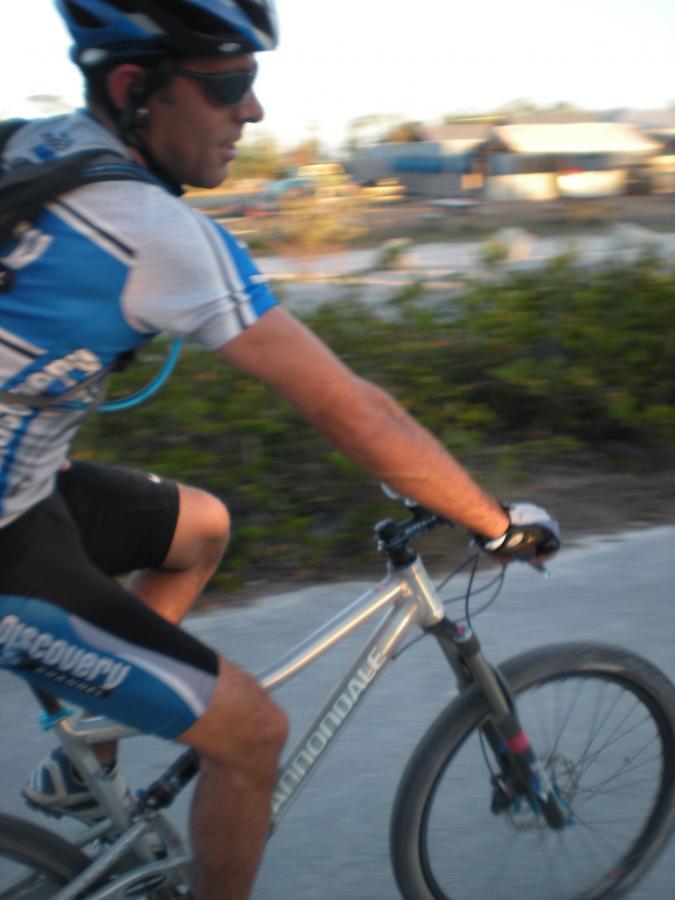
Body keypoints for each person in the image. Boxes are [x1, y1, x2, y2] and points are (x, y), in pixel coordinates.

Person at [0, 2, 559, 898]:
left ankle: (82, 761)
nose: (251, 112)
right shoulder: (153, 230)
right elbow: (355, 412)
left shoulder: (35, 145)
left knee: (201, 527)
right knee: (251, 734)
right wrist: (493, 525)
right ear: (134, 89)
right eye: (228, 85)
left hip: (27, 490)